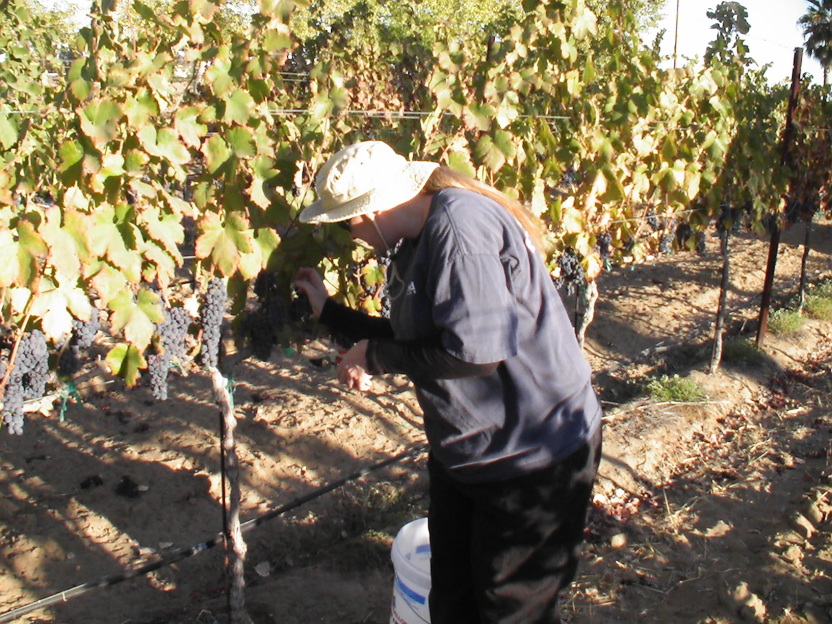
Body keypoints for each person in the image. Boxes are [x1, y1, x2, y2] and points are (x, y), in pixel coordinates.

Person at [293, 140, 602, 624]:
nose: (349, 235)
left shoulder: (458, 227)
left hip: (533, 456)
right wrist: (332, 313)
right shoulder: (413, 243)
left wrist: (373, 358)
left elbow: (474, 352)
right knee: (453, 603)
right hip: (470, 454)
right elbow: (420, 334)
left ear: (376, 209)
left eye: (348, 221)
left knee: (509, 612)